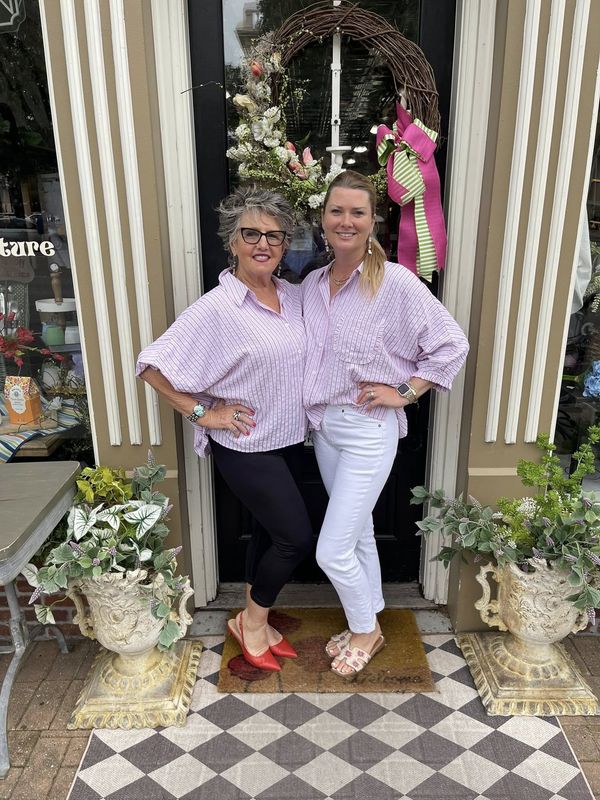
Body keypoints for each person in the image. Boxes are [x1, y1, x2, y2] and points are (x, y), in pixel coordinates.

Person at [136, 186, 312, 672]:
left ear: (285, 244)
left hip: (291, 440)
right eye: (250, 233)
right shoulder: (217, 309)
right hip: (247, 445)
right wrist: (202, 413)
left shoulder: (294, 297)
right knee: (294, 538)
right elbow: (151, 364)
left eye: (274, 236)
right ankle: (252, 623)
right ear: (231, 241)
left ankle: (252, 617)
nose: (263, 244)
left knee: (266, 533)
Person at [302, 170, 469, 678]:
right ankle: (367, 619)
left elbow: (450, 343)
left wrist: (403, 391)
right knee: (357, 538)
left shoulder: (394, 282)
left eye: (357, 212)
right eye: (337, 211)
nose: (346, 221)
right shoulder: (311, 284)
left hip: (369, 431)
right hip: (325, 428)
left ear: (374, 220)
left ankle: (366, 631)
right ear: (323, 218)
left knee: (331, 549)